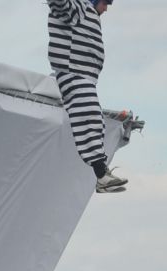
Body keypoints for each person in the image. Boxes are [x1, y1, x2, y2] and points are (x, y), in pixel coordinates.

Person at [47, 0, 125, 193]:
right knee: (89, 117)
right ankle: (101, 174)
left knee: (97, 122)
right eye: (106, 2)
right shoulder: (78, 8)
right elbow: (59, 3)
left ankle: (101, 175)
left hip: (85, 77)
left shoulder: (87, 13)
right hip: (73, 73)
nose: (107, 8)